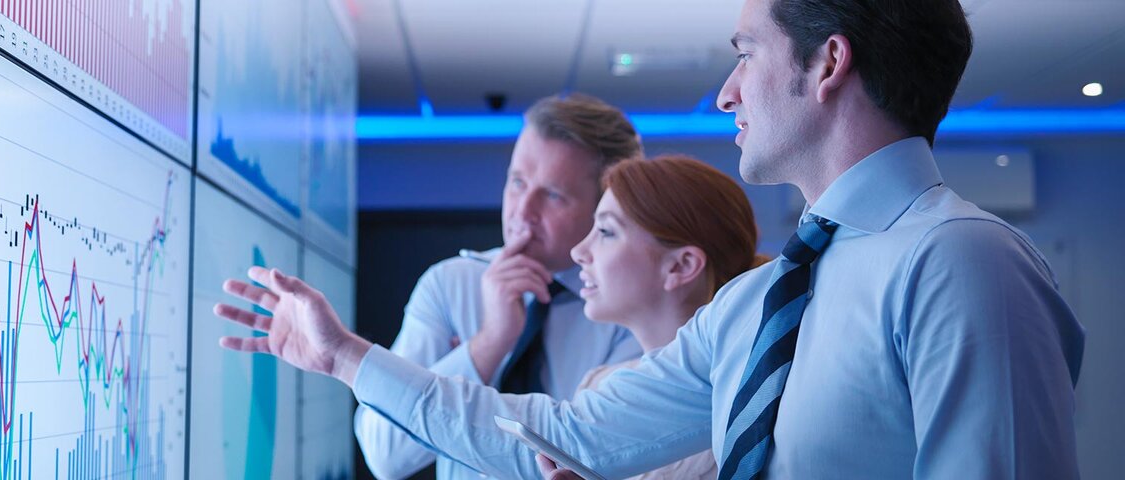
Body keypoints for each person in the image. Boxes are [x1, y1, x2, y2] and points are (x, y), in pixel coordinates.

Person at [215, 0, 1085, 478]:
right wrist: (344, 358)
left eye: (746, 52)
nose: (726, 92)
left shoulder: (963, 264)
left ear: (828, 65)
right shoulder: (757, 302)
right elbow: (564, 431)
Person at [354, 93, 646, 480]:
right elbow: (385, 454)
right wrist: (488, 343)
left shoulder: (632, 304)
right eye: (517, 182)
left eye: (553, 195)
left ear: (605, 205)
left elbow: (614, 454)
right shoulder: (449, 285)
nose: (522, 213)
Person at [565, 155, 769, 479]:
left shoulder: (742, 410)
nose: (578, 251)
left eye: (605, 231)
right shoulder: (598, 386)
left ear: (681, 266)